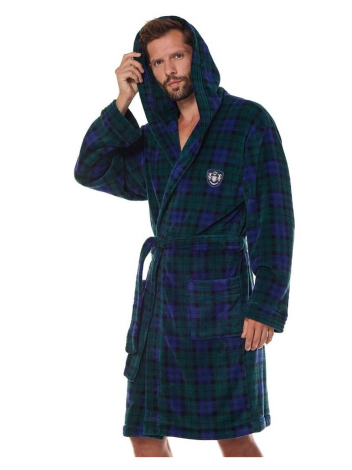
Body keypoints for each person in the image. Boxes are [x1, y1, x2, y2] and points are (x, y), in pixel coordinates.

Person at [74, 15, 295, 457]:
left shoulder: (247, 122)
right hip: (161, 304)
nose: (169, 70)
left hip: (222, 303)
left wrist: (266, 303)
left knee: (232, 432)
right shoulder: (155, 138)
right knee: (145, 431)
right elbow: (90, 169)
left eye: (178, 55)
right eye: (157, 63)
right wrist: (121, 102)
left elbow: (274, 217)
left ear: (198, 57)